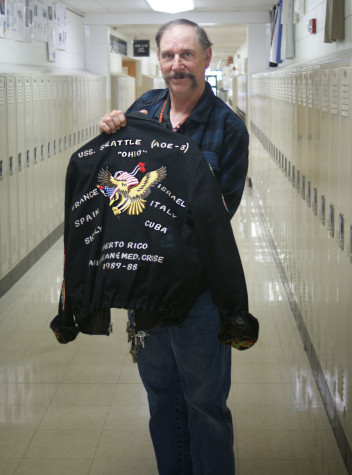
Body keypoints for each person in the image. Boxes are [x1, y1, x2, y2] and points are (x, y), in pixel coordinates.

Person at [99, 19, 249, 475]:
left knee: (205, 403)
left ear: (206, 57)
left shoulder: (227, 129)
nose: (176, 65)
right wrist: (111, 133)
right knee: (162, 397)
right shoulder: (144, 108)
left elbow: (219, 216)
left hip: (199, 293)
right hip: (145, 288)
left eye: (186, 55)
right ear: (158, 60)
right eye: (168, 55)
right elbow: (117, 184)